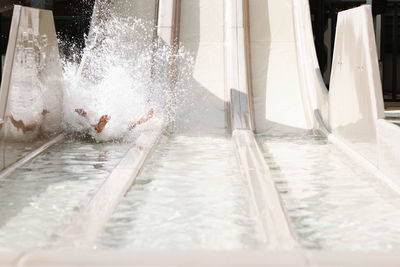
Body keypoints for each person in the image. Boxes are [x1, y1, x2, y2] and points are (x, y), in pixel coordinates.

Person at [74, 107, 154, 134]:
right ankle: (139, 121)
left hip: (97, 123)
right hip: (95, 125)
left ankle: (138, 121)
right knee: (125, 123)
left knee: (123, 123)